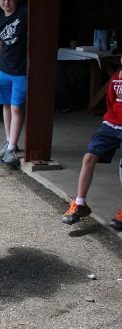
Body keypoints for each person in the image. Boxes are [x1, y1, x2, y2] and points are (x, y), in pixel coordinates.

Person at [61, 60, 122, 229]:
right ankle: (80, 205)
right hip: (111, 124)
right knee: (89, 157)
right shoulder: (117, 77)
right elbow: (111, 101)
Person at [0, 0, 29, 166]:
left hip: (21, 70)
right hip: (4, 70)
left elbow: (35, 2)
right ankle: (9, 140)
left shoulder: (23, 15)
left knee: (17, 107)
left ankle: (12, 147)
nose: (6, 3)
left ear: (16, 1)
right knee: (6, 105)